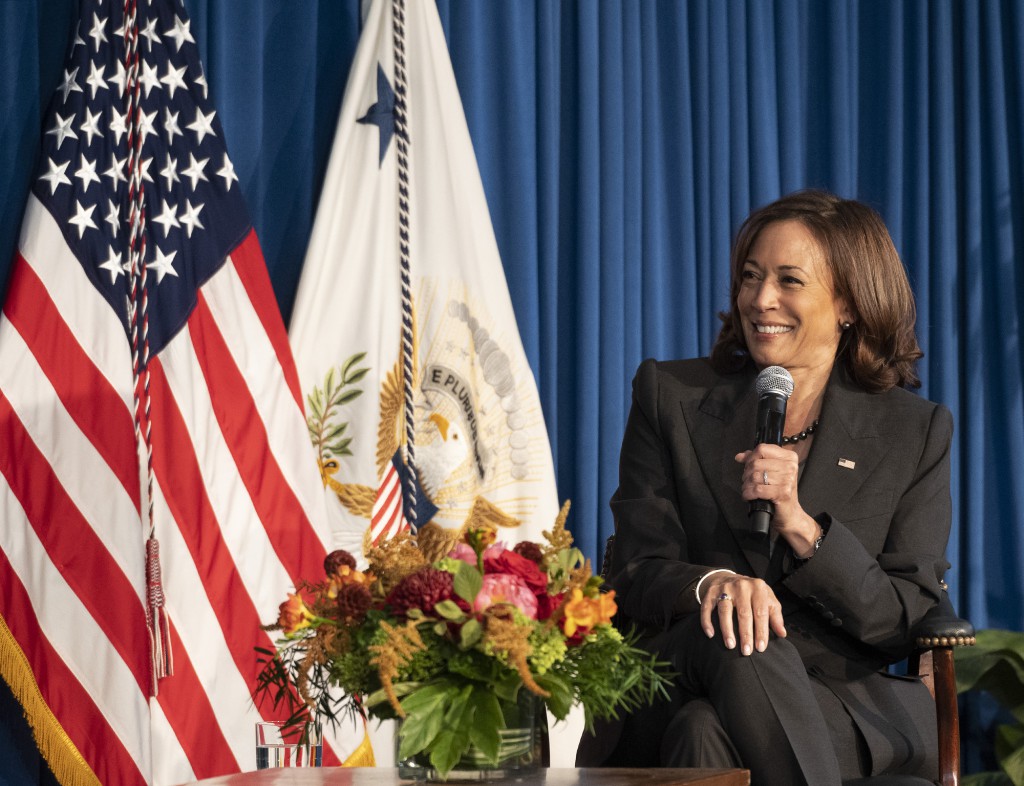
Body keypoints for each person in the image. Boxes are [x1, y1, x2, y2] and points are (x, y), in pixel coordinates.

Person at [577, 190, 952, 785]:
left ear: (849, 302)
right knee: (738, 630)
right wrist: (713, 583)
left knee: (702, 735)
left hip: (837, 701)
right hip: (678, 669)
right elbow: (636, 570)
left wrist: (803, 529)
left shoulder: (913, 430)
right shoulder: (670, 396)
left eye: (788, 280)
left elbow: (901, 619)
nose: (760, 299)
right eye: (750, 277)